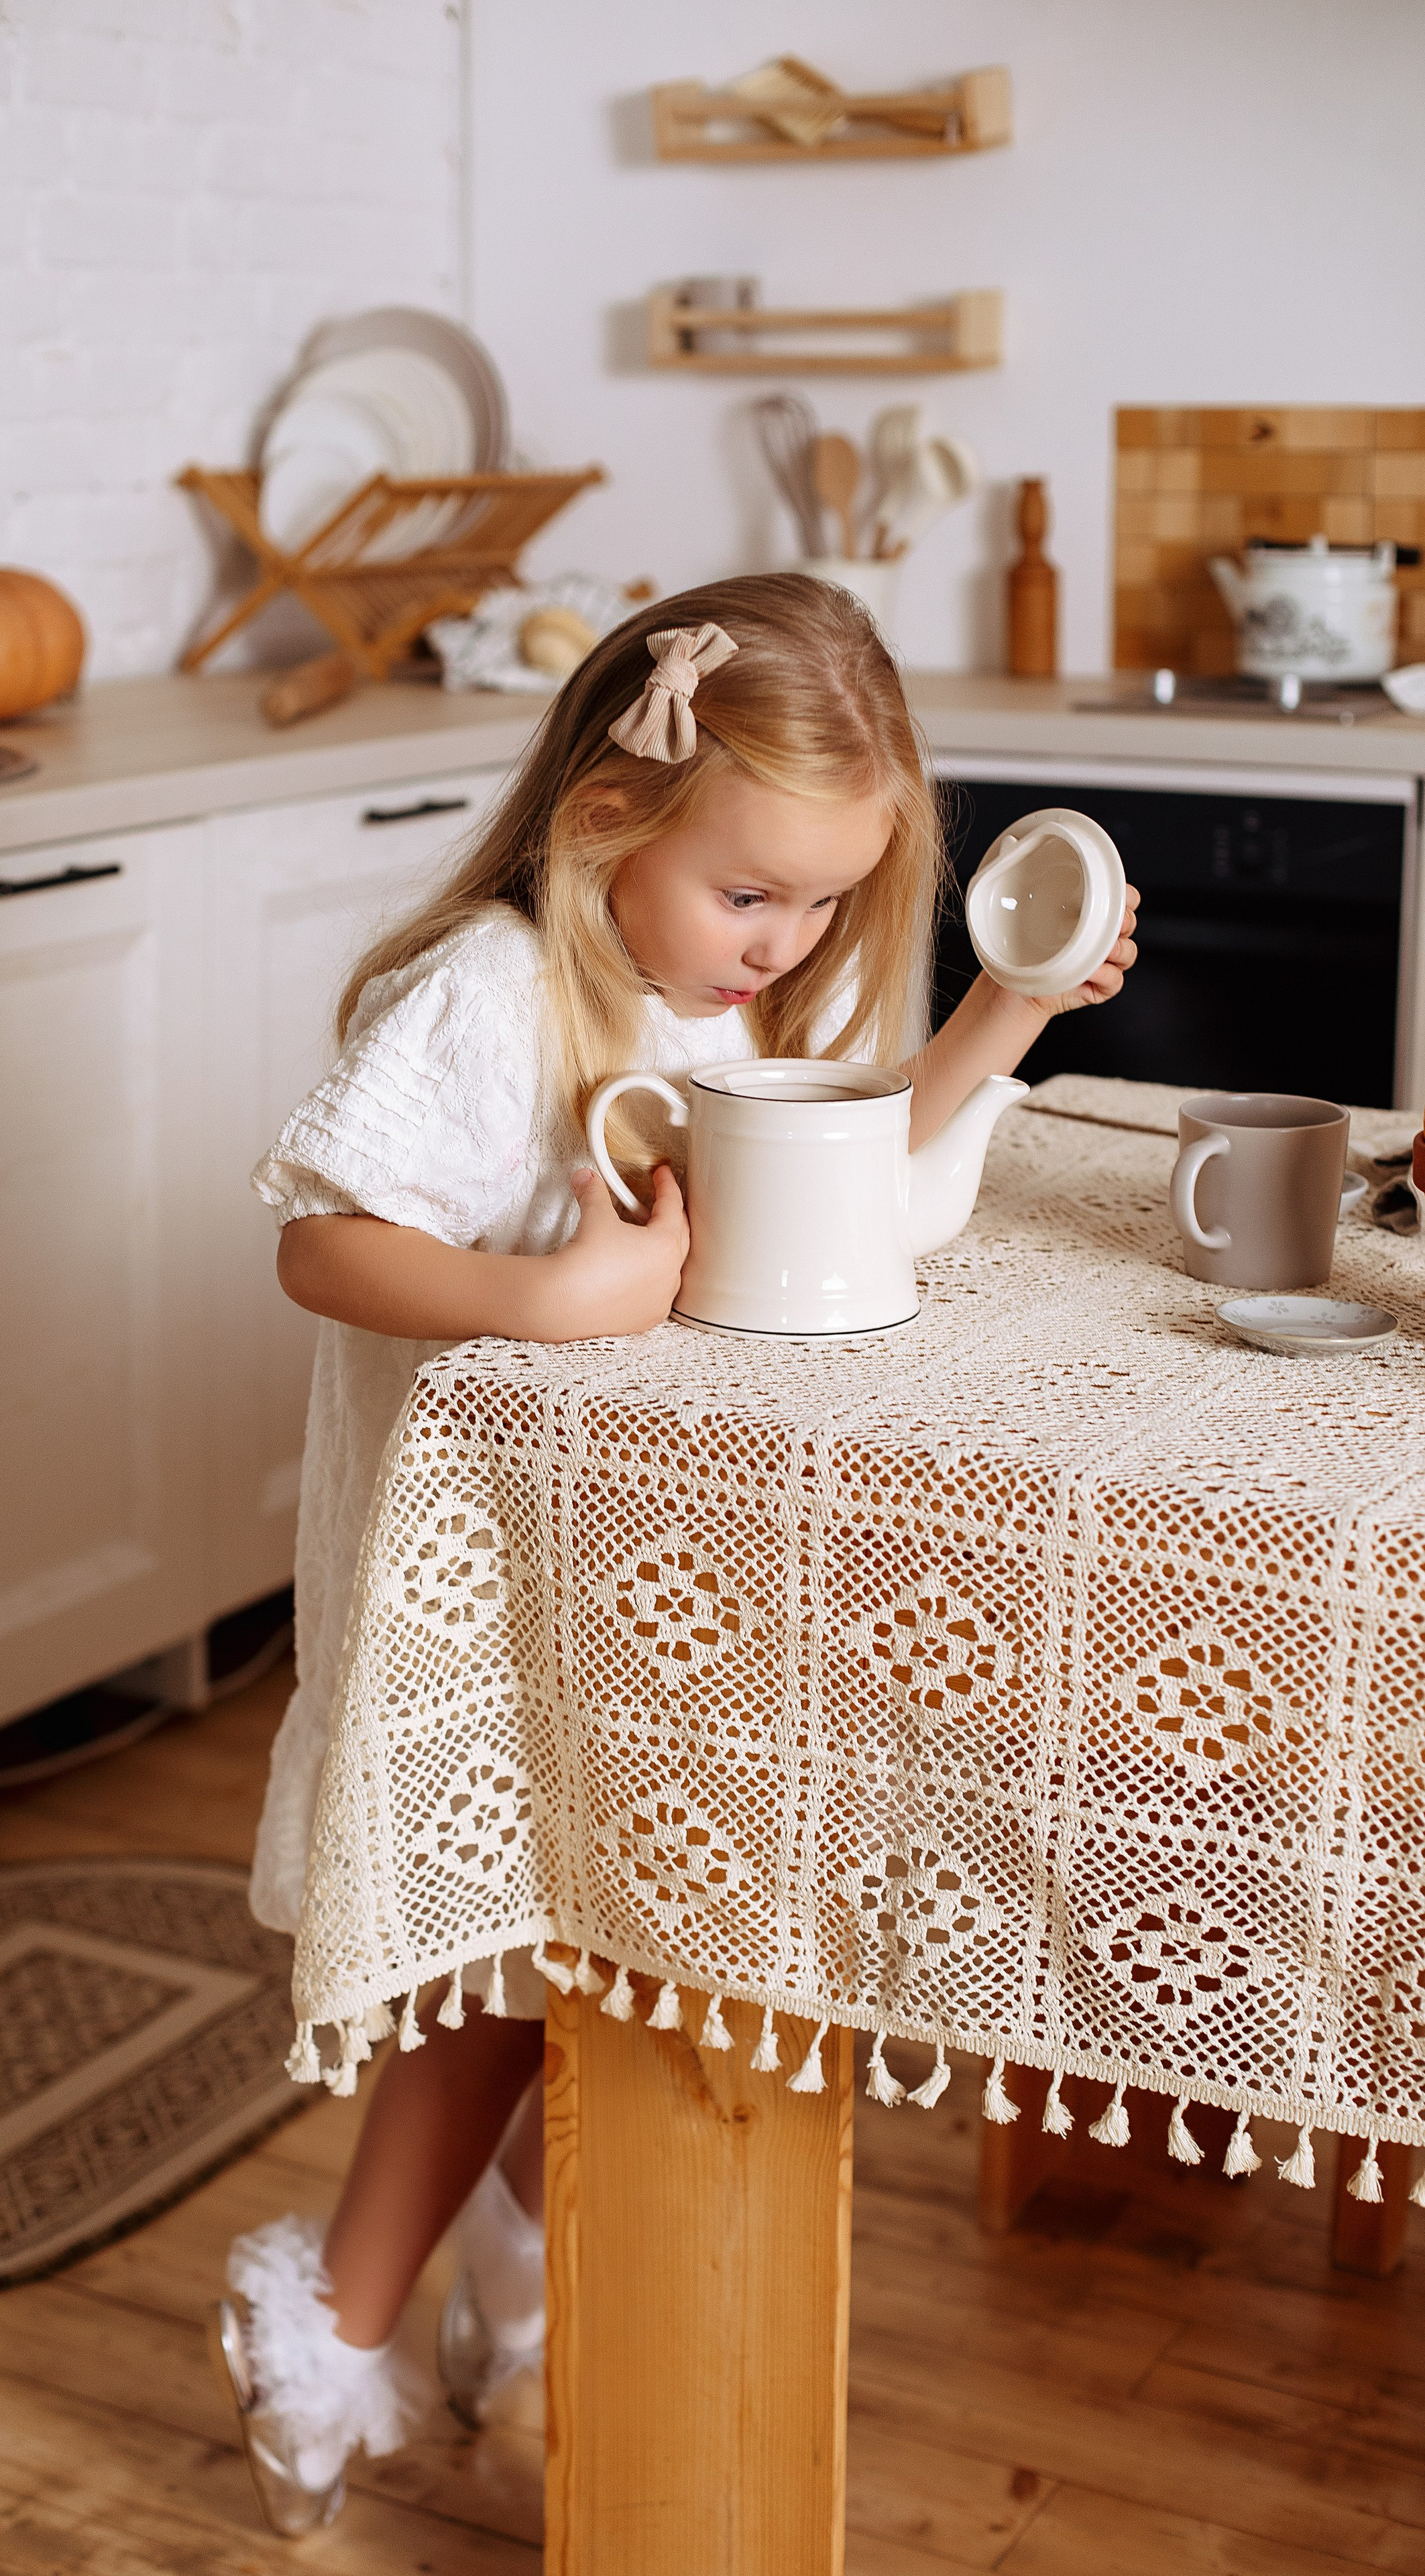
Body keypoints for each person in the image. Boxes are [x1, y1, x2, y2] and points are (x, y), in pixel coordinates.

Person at [211, 573, 1141, 2534]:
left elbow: (860, 1189)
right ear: (612, 818)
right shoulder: (486, 992)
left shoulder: (748, 996)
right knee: (501, 1980)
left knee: (635, 1966)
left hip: (662, 1590)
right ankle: (335, 2327)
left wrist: (1008, 1009)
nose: (788, 944)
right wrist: (554, 1296)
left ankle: (517, 2281)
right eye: (754, 896)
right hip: (481, 1588)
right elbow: (321, 1238)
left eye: (823, 902)